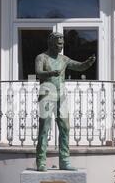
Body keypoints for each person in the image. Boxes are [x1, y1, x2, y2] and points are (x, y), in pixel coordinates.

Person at [35, 31, 96, 171]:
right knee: (44, 127)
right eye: (58, 44)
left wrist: (88, 62)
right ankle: (41, 161)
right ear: (50, 43)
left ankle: (64, 160)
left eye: (62, 44)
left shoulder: (64, 59)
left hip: (61, 94)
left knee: (65, 127)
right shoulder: (41, 57)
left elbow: (78, 66)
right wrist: (50, 73)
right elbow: (38, 73)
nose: (61, 47)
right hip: (46, 92)